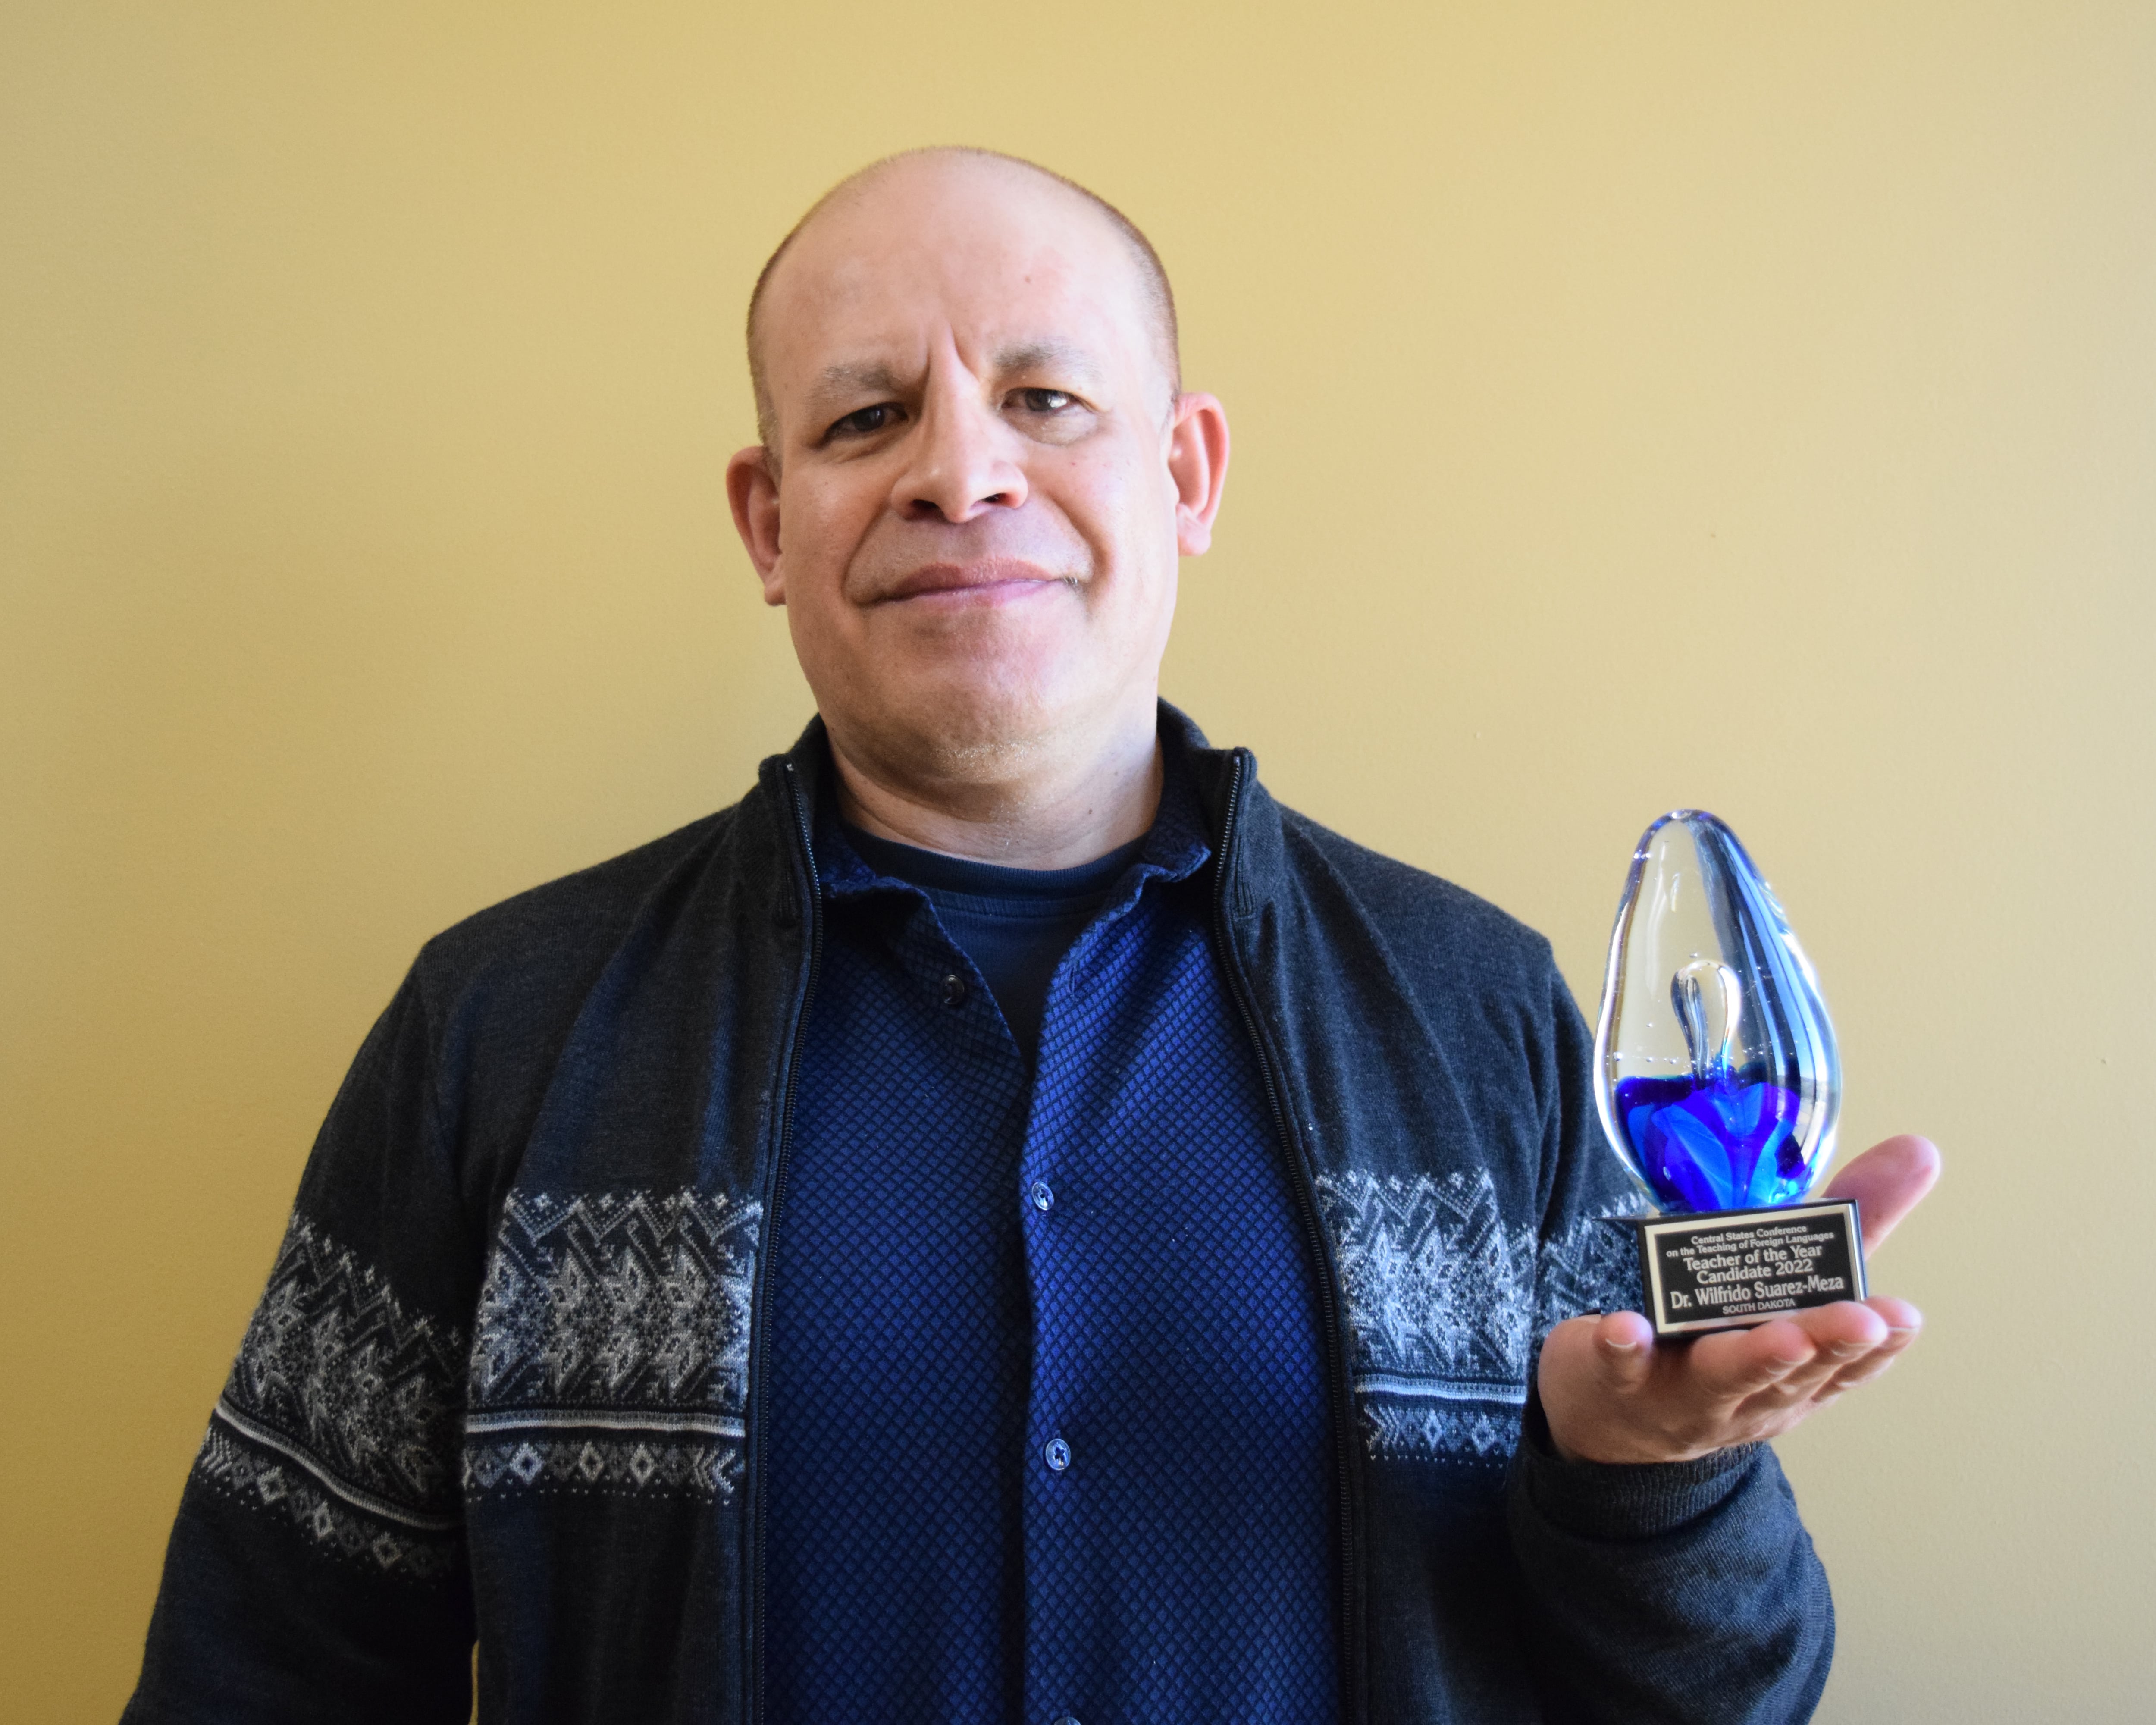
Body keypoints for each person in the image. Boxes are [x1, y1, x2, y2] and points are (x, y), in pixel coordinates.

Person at [123, 147, 1939, 1725]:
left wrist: (1647, 1483)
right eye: (861, 417)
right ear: (771, 522)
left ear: (1186, 474)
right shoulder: (497, 1027)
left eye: (1045, 400)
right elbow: (259, 1676)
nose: (957, 472)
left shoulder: (1476, 1016)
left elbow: (1722, 1693)